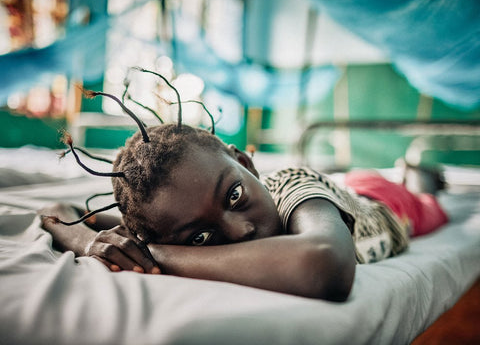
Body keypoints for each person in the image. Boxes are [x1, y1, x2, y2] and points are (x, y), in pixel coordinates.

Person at [41, 123, 449, 302]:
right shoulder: (178, 222)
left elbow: (325, 266)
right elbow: (58, 213)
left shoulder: (291, 186)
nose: (238, 231)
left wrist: (158, 255)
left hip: (387, 204)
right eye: (200, 237)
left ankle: (419, 175)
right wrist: (89, 241)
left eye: (234, 195)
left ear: (247, 164)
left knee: (426, 199)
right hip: (358, 191)